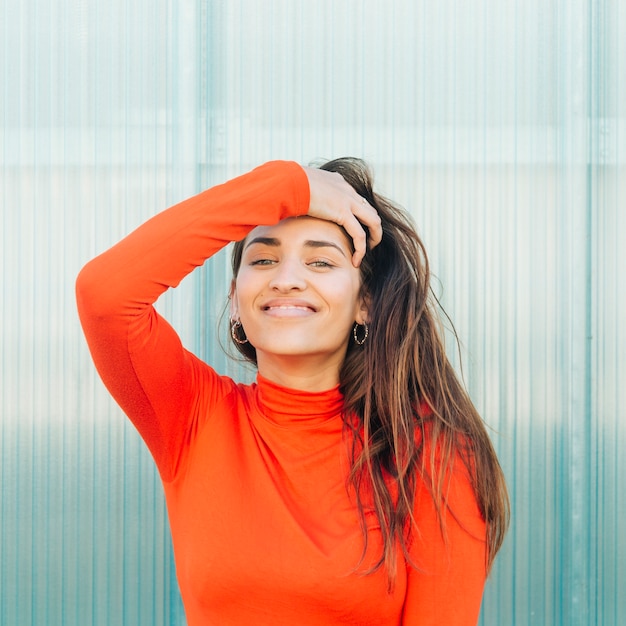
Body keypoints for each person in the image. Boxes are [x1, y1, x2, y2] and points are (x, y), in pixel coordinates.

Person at [76, 157, 509, 625]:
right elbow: (105, 294)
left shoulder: (430, 453)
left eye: (320, 261)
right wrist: (286, 184)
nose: (285, 279)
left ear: (364, 304)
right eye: (262, 259)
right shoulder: (193, 416)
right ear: (235, 299)